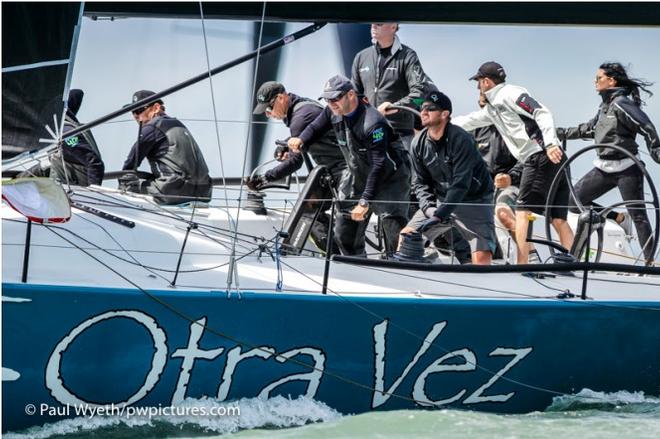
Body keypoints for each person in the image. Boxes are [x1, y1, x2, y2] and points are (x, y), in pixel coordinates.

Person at [453, 61, 574, 264]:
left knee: (522, 212)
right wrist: (442, 122)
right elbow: (470, 121)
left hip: (540, 155)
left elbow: (541, 111)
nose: (477, 87)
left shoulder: (509, 93)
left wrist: (551, 143)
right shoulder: (493, 108)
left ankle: (523, 264)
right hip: (557, 157)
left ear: (486, 81)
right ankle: (569, 263)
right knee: (558, 218)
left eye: (478, 82)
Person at [288, 74, 411, 257]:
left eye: (336, 98)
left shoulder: (373, 123)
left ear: (351, 95)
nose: (331, 103)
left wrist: (365, 201)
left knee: (393, 233)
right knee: (344, 235)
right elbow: (315, 128)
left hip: (389, 180)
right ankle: (357, 269)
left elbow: (378, 165)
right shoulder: (333, 111)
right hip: (358, 175)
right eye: (328, 100)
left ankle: (400, 270)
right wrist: (301, 139)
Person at [557, 62, 660, 264]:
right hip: (604, 168)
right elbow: (589, 129)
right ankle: (618, 218)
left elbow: (646, 127)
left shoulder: (622, 103)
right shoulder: (605, 106)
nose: (595, 82)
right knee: (573, 202)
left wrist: (656, 151)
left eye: (598, 78)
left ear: (611, 81)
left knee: (639, 217)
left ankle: (650, 264)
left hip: (627, 169)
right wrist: (558, 133)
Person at [249, 81, 348, 254]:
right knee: (308, 209)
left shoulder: (301, 116)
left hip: (344, 170)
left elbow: (296, 162)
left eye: (269, 108)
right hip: (331, 169)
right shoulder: (301, 108)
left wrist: (265, 178)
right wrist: (287, 146)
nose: (268, 114)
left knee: (307, 212)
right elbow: (307, 135)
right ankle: (335, 254)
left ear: (281, 98)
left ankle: (337, 257)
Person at [401, 91, 496, 265]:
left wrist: (439, 215)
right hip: (440, 200)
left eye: (430, 108)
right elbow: (420, 183)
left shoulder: (461, 139)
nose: (423, 112)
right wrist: (429, 209)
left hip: (474, 199)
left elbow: (461, 184)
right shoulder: (418, 143)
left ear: (445, 114)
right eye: (422, 108)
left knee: (481, 258)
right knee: (406, 236)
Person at [120, 90, 212, 205]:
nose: (136, 116)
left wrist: (122, 183)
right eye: (133, 112)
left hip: (172, 190)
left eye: (139, 110)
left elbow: (131, 162)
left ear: (156, 108)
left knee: (130, 187)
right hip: (204, 191)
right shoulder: (178, 124)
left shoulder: (153, 126)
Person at [351, 23, 432, 150]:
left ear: (393, 27)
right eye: (372, 23)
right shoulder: (361, 57)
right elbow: (354, 96)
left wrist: (396, 107)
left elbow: (421, 94)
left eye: (379, 23)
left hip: (400, 134)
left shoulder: (408, 56)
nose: (373, 26)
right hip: (370, 132)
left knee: (405, 170)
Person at [20, 89, 104, 186]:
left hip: (76, 186)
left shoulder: (64, 134)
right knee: (35, 170)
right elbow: (77, 93)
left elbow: (95, 163)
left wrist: (94, 191)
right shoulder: (59, 119)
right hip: (64, 169)